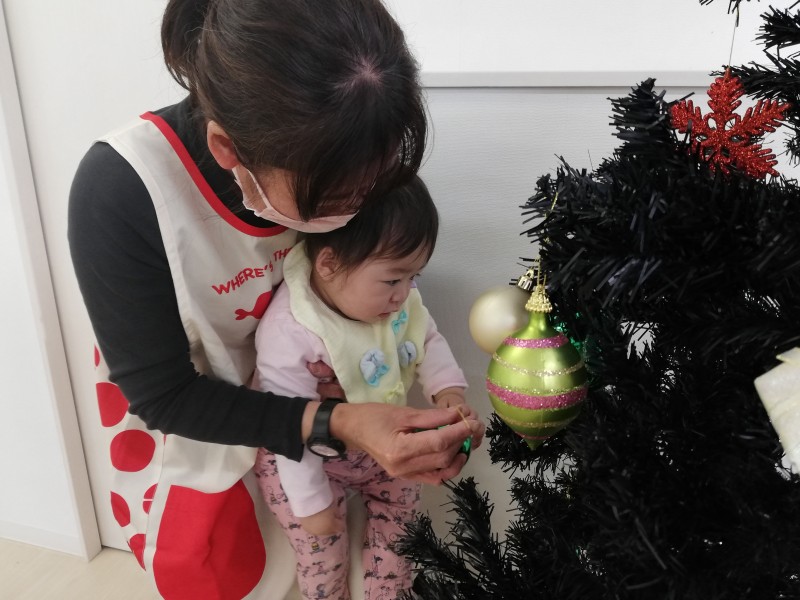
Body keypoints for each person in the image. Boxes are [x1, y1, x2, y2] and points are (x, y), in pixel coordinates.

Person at [67, 1, 484, 598]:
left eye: (376, 181)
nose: (360, 207)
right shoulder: (123, 190)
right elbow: (165, 395)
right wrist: (336, 420)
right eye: (337, 197)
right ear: (227, 149)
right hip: (206, 439)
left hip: (337, 445)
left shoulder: (345, 152)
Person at [253, 176, 481, 600]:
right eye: (393, 280)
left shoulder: (397, 300)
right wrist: (311, 503)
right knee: (323, 555)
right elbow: (284, 425)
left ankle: (389, 592)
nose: (405, 294)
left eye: (414, 276)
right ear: (328, 264)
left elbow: (425, 337)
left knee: (404, 526)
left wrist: (448, 390)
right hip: (305, 458)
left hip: (378, 446)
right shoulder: (292, 328)